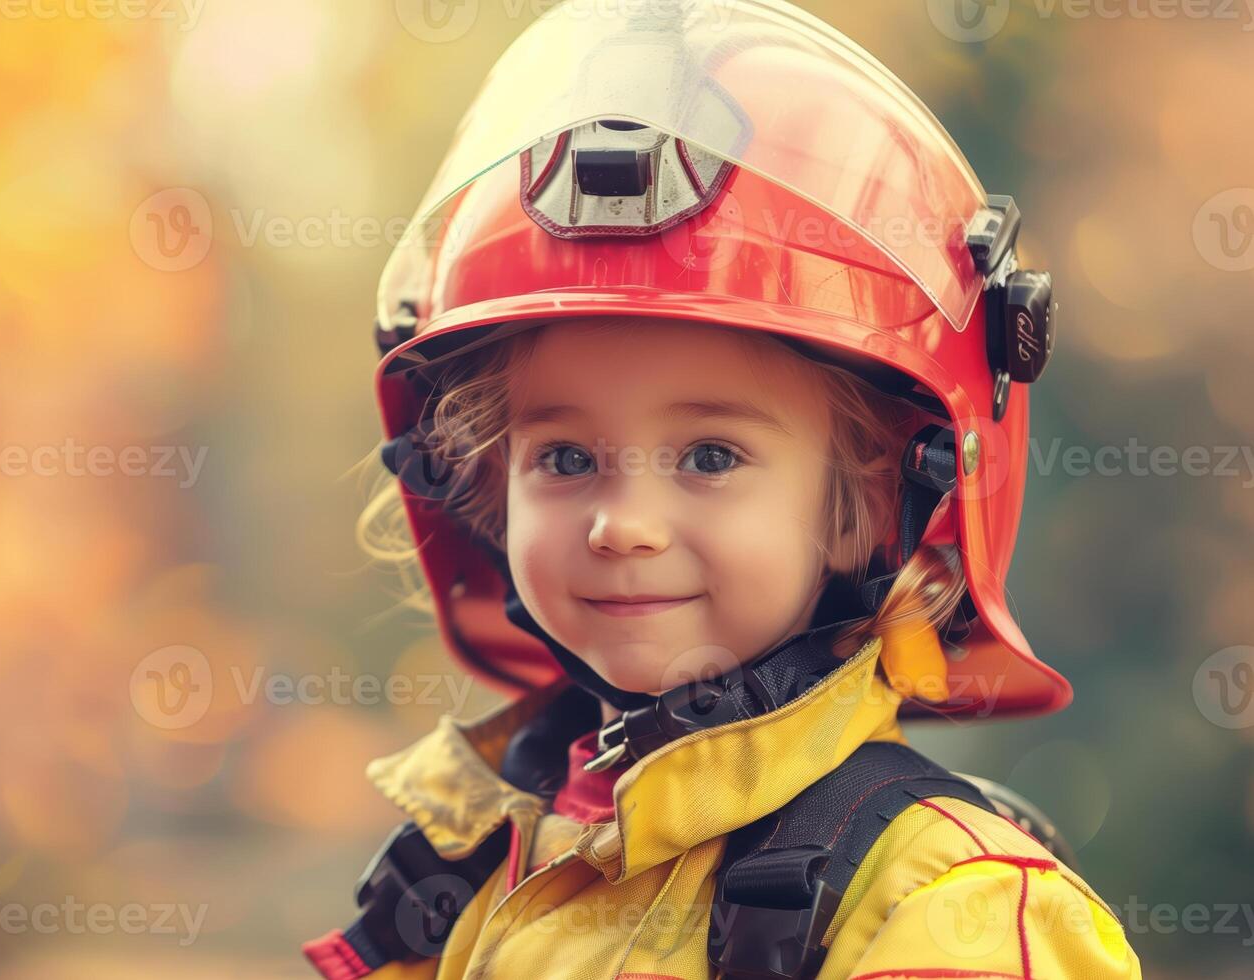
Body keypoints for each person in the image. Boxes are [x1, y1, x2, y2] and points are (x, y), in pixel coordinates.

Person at [303, 2, 1138, 978]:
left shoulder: (952, 906)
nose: (624, 525)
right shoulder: (463, 867)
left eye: (709, 456)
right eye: (565, 459)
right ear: (485, 489)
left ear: (866, 500)